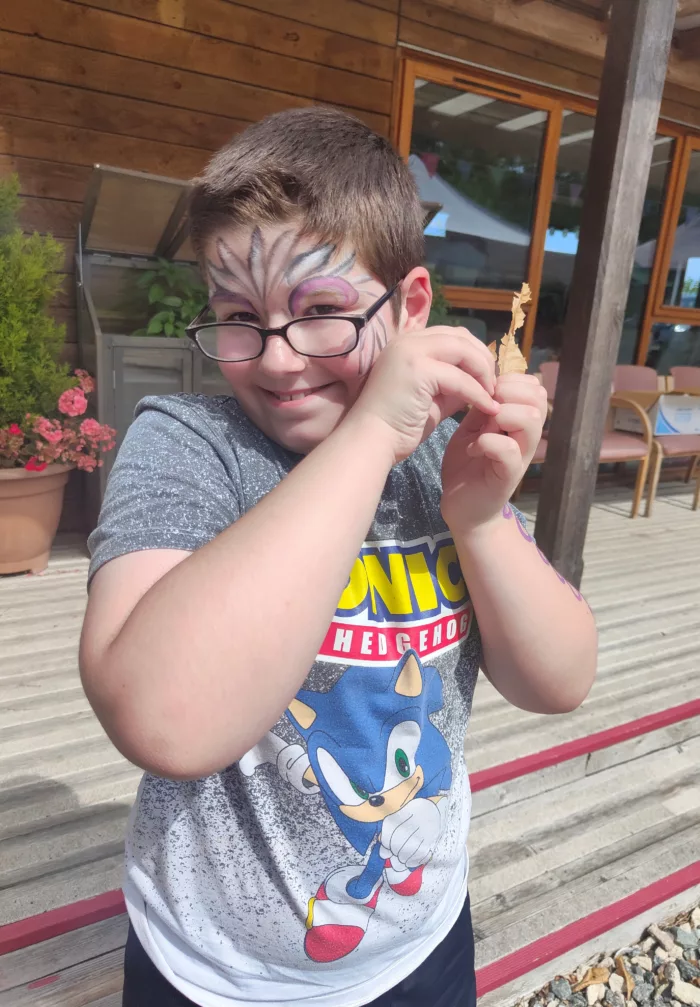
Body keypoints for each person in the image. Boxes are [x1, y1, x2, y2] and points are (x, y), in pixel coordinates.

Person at [79, 107, 597, 1007]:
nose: (279, 361)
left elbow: (562, 677)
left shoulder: (440, 459)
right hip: (211, 974)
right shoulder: (188, 444)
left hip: (417, 949)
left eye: (322, 311)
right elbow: (163, 719)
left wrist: (477, 519)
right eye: (238, 316)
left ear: (412, 308)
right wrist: (366, 439)